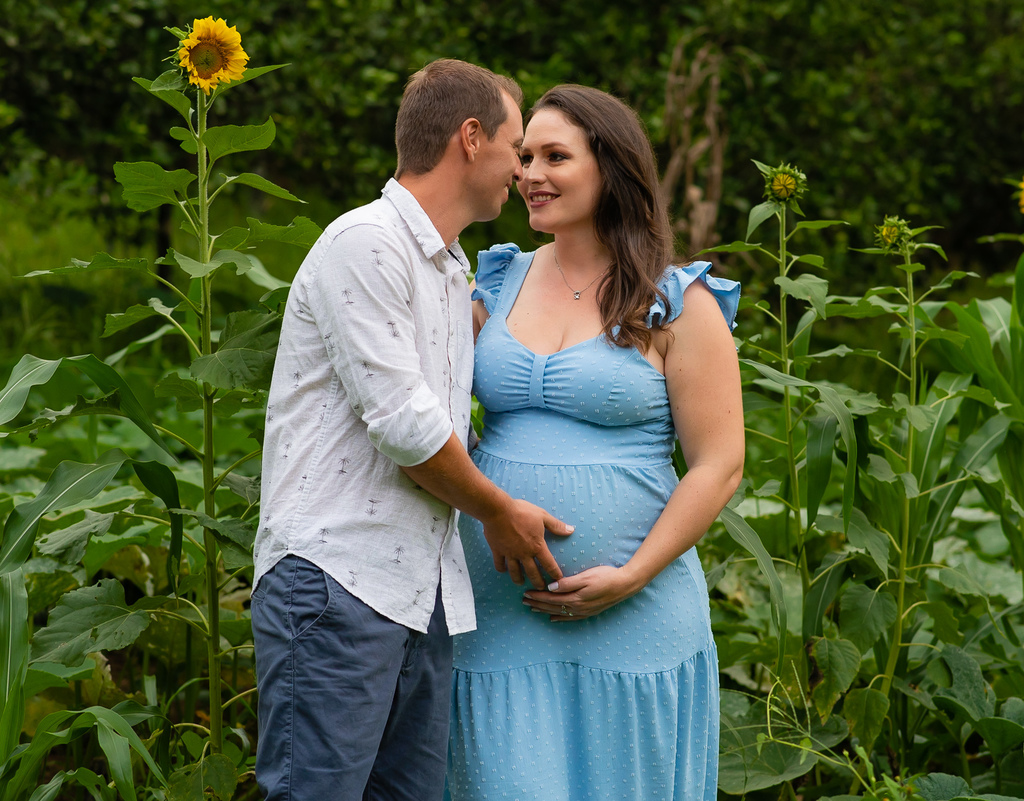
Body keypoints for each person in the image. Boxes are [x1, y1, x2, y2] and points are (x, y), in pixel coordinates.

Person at [250, 59, 573, 800]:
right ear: (470, 137)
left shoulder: (450, 269)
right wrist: (499, 509)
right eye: (516, 147)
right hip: (337, 581)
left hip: (421, 592)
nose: (521, 171)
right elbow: (404, 426)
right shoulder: (365, 243)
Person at [446, 85, 744, 799]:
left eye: (555, 156)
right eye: (524, 157)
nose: (530, 174)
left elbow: (719, 464)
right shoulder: (499, 279)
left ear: (610, 167)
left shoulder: (677, 300)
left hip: (636, 617)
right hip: (498, 614)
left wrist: (632, 574)